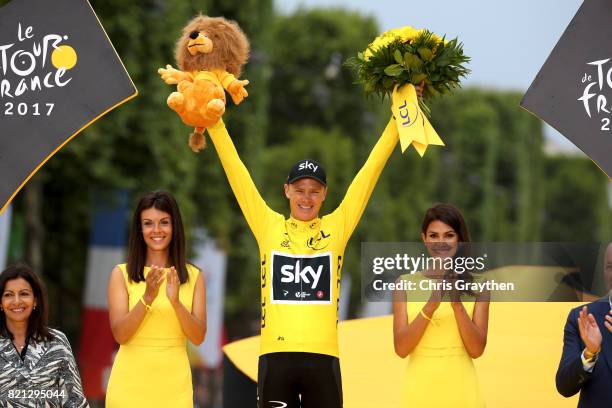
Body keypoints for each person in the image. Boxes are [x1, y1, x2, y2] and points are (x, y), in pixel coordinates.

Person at [206, 84, 424, 408]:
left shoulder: (337, 227)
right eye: (299, 190)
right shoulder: (268, 225)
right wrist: (214, 123)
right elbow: (237, 173)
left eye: (313, 191)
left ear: (324, 195)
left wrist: (400, 117)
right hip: (275, 357)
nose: (306, 197)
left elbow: (369, 172)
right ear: (286, 191)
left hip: (324, 358)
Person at [105, 191, 206, 408]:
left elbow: (198, 337)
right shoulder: (121, 274)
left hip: (174, 389)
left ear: (174, 226)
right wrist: (147, 297)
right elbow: (120, 334)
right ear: (140, 229)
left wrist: (176, 303)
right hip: (129, 387)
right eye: (148, 223)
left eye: (164, 223)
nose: (157, 230)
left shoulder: (194, 276)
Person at [392, 203, 489, 408]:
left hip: (462, 391)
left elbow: (476, 349)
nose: (441, 243)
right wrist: (431, 305)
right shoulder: (404, 284)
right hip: (419, 391)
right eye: (434, 236)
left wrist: (456, 304)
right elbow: (401, 348)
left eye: (449, 235)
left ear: (459, 239)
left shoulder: (480, 285)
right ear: (424, 239)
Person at [0, 264, 89, 407]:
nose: (16, 301)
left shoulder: (56, 342)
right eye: (8, 295)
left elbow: (75, 401)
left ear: (35, 300)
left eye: (24, 293)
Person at [556, 242, 612, 407]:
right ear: (604, 272)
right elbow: (564, 386)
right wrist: (590, 353)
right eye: (611, 266)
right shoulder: (583, 317)